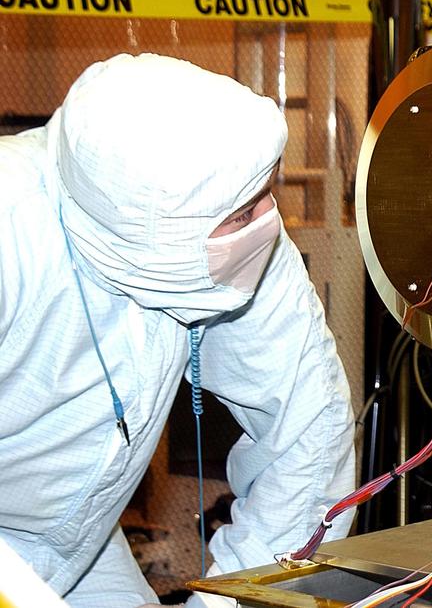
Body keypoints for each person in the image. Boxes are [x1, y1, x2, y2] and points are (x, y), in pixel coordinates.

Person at [0, 53, 356, 607]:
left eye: (266, 191)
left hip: (81, 539)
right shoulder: (11, 231)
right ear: (155, 230)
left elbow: (307, 431)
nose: (268, 219)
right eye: (243, 212)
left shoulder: (232, 214)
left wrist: (231, 602)